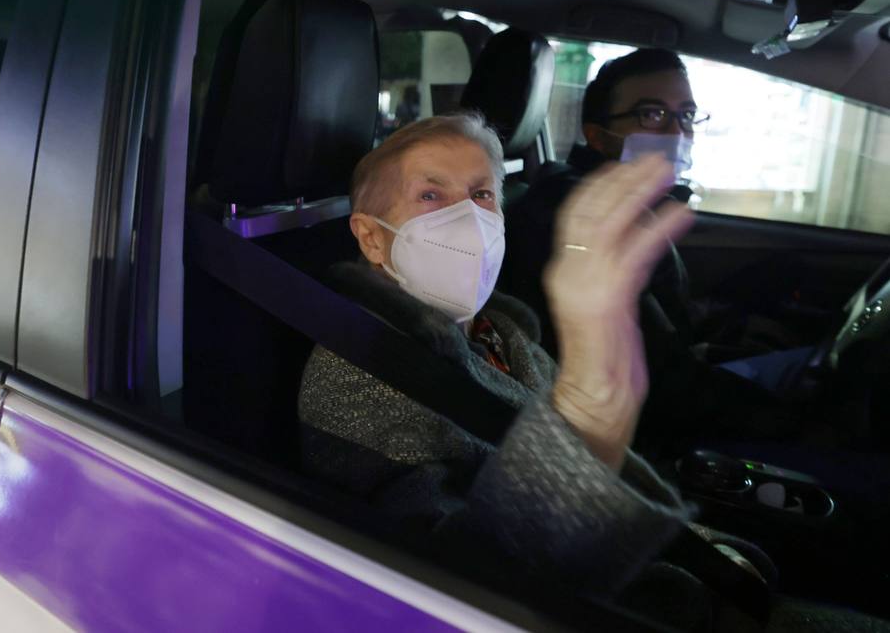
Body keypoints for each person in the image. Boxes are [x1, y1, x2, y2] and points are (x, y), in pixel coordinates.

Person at [297, 113, 887, 631]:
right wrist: (591, 402)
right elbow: (455, 584)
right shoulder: (359, 373)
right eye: (431, 196)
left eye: (481, 196)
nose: (467, 219)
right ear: (372, 237)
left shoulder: (501, 332)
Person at [502, 48, 817, 451]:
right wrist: (797, 423)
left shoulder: (632, 204)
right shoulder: (581, 217)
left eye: (686, 115)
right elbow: (662, 386)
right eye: (651, 114)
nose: (677, 132)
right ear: (598, 135)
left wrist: (725, 330)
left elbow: (664, 331)